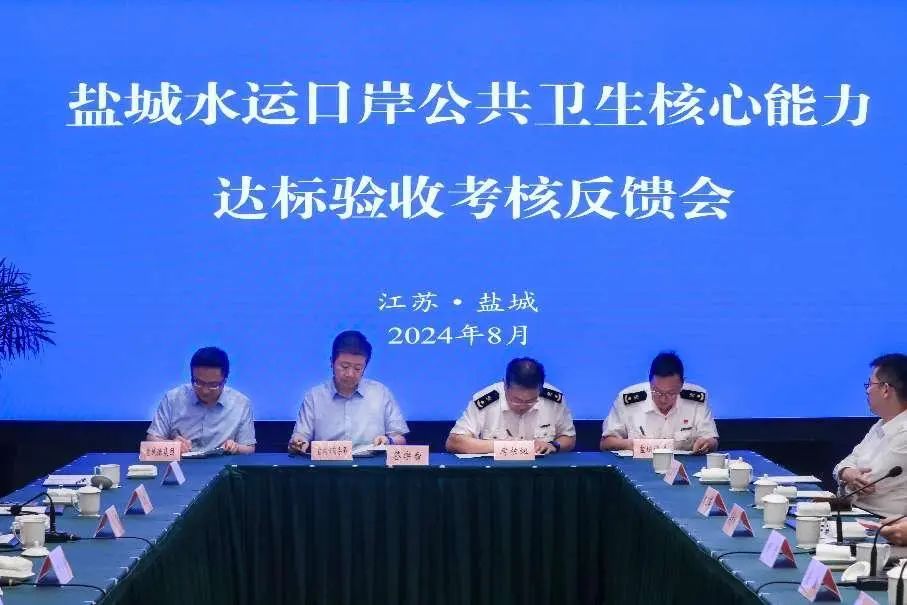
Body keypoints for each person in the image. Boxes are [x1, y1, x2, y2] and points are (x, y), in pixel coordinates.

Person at [288, 330, 409, 454]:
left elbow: (400, 439)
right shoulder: (314, 396)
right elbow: (300, 436)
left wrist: (389, 441)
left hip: (371, 463)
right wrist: (298, 442)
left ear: (365, 367)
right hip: (327, 464)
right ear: (331, 362)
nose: (350, 374)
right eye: (344, 366)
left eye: (358, 368)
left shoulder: (380, 393)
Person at [446, 357, 576, 455]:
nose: (523, 406)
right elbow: (454, 442)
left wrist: (554, 445)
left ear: (541, 388)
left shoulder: (553, 400)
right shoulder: (486, 401)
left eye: (531, 401)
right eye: (516, 400)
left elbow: (569, 438)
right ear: (505, 385)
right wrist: (507, 446)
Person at [833, 354, 907, 518]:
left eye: (870, 384)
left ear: (885, 389)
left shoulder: (905, 434)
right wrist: (847, 473)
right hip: (855, 513)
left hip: (881, 523)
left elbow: (868, 485)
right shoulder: (880, 425)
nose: (867, 391)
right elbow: (845, 463)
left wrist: (846, 478)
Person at [600, 351, 718, 453]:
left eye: (671, 393)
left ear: (682, 385)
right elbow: (605, 443)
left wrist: (707, 443)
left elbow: (712, 440)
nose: (663, 399)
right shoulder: (628, 400)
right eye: (657, 392)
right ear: (650, 382)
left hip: (684, 467)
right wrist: (630, 445)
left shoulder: (696, 399)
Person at [147, 346, 256, 454]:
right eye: (198, 383)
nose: (205, 390)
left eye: (213, 385)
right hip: (181, 463)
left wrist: (236, 447)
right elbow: (150, 442)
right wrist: (171, 445)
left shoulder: (241, 403)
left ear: (225, 381)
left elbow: (249, 449)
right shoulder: (173, 399)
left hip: (222, 463)